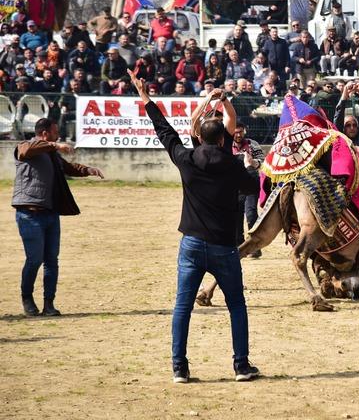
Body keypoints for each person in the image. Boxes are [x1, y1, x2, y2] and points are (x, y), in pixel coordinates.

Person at [130, 74, 261, 383]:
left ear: (200, 138)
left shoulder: (186, 159)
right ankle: (241, 366)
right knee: (236, 306)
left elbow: (165, 131)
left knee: (182, 306)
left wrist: (147, 99)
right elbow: (254, 184)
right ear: (222, 140)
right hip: (224, 246)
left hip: (191, 243)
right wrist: (251, 166)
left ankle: (179, 368)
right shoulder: (232, 165)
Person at [12, 118, 104, 316]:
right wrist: (55, 145)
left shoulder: (51, 154)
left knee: (51, 261)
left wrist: (88, 170)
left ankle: (49, 303)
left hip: (51, 214)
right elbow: (26, 150)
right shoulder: (25, 146)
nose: (58, 134)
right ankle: (27, 298)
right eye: (55, 132)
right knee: (34, 260)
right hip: (30, 213)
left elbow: (69, 168)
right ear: (45, 133)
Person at [232, 123, 264, 258]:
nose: (238, 135)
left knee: (251, 213)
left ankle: (255, 246)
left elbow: (263, 160)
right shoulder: (226, 144)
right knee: (236, 215)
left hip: (251, 182)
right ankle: (239, 246)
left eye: (240, 132)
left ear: (245, 131)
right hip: (234, 185)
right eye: (236, 132)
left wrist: (253, 162)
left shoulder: (252, 144)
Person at [334, 81, 359, 152]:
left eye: (354, 125)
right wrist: (345, 93)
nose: (352, 128)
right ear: (343, 128)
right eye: (348, 125)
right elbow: (338, 116)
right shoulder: (340, 138)